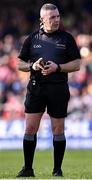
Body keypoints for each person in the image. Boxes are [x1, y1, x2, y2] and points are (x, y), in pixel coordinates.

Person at [16, 3, 81, 178]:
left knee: (58, 130)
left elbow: (77, 64)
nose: (57, 20)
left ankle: (57, 170)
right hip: (36, 88)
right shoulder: (32, 39)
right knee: (30, 128)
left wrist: (58, 67)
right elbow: (19, 63)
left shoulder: (67, 38)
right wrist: (33, 65)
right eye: (52, 17)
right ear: (42, 20)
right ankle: (28, 169)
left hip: (58, 89)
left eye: (58, 16)